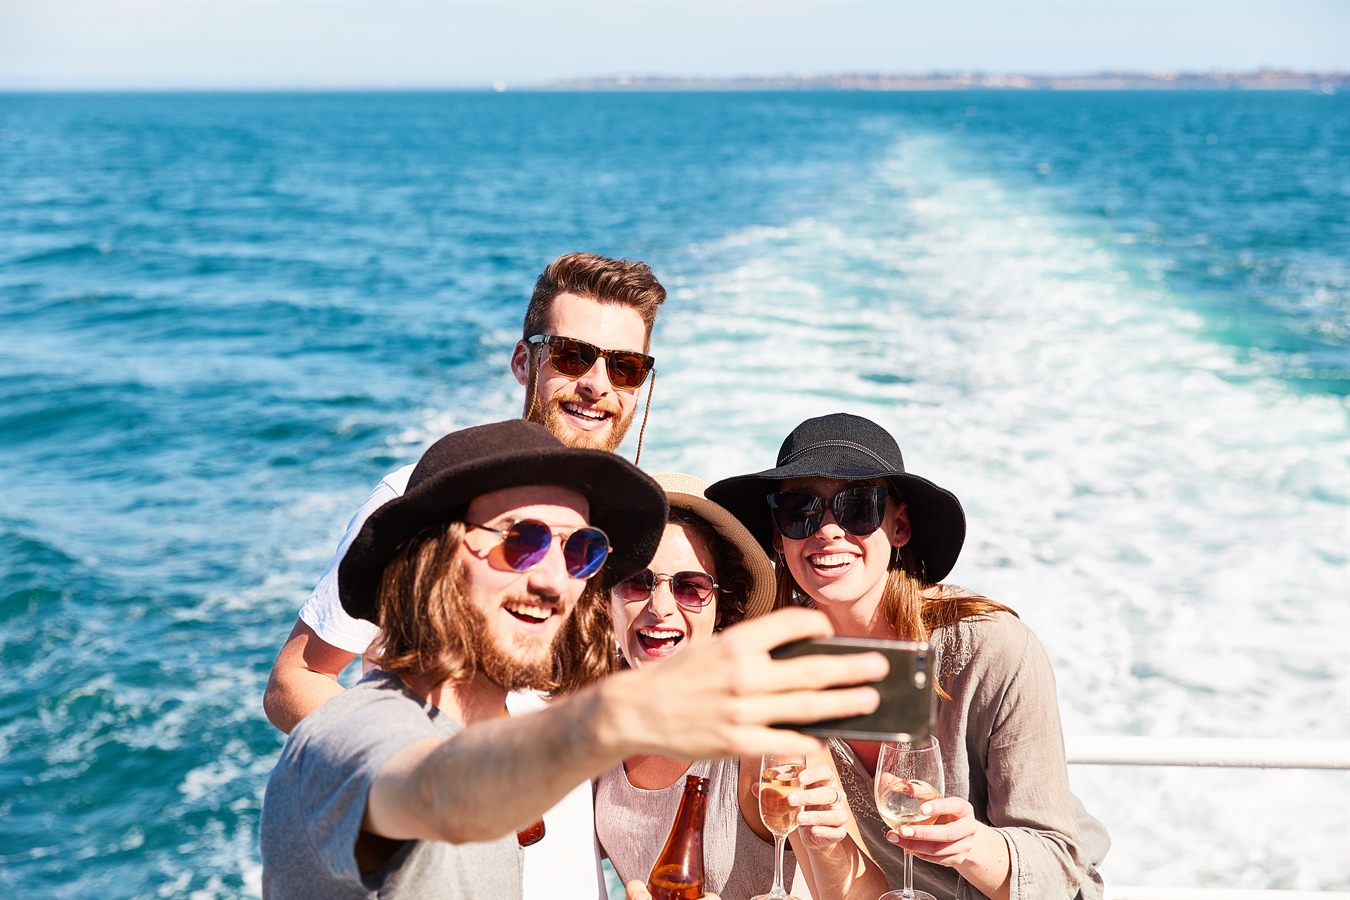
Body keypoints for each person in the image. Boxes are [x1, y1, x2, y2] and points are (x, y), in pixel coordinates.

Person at [259, 420, 890, 899]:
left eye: (581, 551)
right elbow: (416, 788)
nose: (556, 580)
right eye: (523, 543)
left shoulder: (507, 744)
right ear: (433, 561)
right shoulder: (350, 739)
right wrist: (619, 717)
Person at [262, 252, 666, 897]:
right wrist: (455, 776)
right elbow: (295, 680)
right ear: (522, 362)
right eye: (571, 356)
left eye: (624, 366)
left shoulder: (626, 529)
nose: (597, 383)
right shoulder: (426, 503)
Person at [708, 413, 1110, 900]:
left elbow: (1059, 871)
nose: (828, 530)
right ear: (778, 536)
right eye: (800, 510)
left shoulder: (991, 649)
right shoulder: (779, 664)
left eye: (858, 508)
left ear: (898, 525)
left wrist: (969, 844)